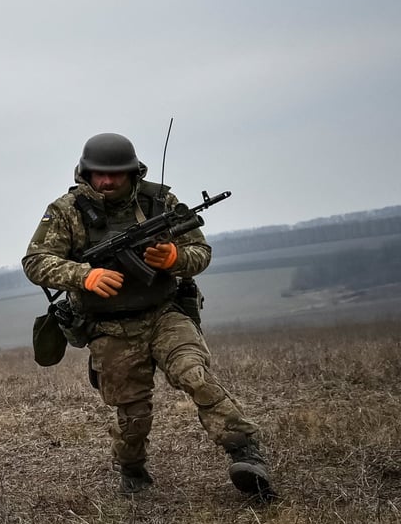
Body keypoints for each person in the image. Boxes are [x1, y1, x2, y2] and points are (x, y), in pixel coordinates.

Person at [22, 132, 273, 500]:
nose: (106, 182)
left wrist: (175, 259)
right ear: (85, 173)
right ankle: (132, 468)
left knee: (196, 376)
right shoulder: (66, 211)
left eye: (115, 175)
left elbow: (200, 252)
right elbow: (35, 261)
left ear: (132, 172)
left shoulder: (159, 202)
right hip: (109, 328)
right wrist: (84, 275)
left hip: (164, 313)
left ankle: (246, 453)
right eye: (98, 175)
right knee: (133, 415)